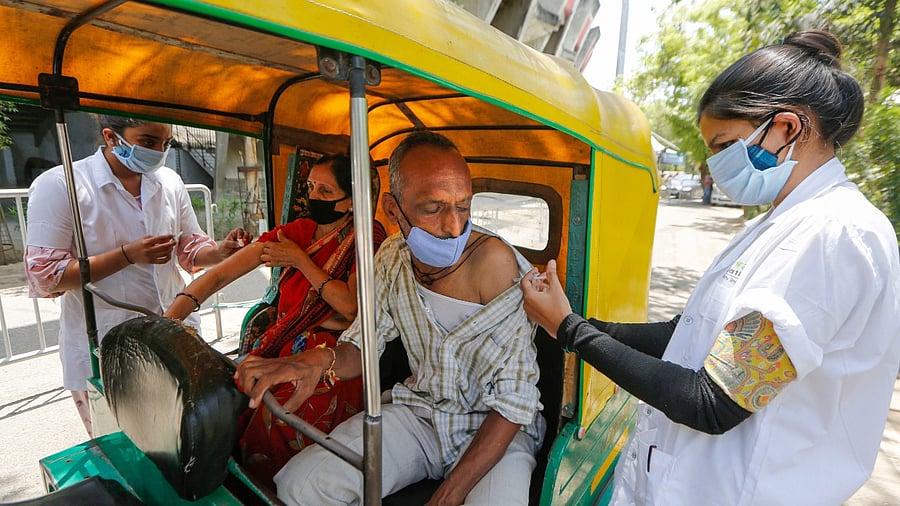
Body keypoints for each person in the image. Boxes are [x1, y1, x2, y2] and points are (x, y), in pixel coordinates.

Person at [520, 30, 900, 505]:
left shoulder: (833, 236)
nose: (713, 165)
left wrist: (572, 331)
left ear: (788, 128)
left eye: (725, 145)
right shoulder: (782, 224)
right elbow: (693, 334)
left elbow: (711, 402)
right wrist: (579, 325)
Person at [234, 130, 545, 505]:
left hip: (498, 432)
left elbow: (515, 401)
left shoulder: (495, 264)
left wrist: (450, 493)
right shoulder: (391, 258)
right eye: (433, 208)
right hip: (422, 414)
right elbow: (362, 344)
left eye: (463, 206)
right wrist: (314, 361)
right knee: (301, 486)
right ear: (393, 208)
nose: (453, 227)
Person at [165, 153, 387, 487]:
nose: (314, 197)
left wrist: (300, 261)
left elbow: (350, 306)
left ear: (351, 201)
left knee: (280, 413)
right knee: (223, 396)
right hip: (284, 342)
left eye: (326, 192)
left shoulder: (368, 238)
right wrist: (171, 318)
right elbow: (219, 277)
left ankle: (277, 489)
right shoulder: (296, 232)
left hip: (336, 357)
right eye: (311, 187)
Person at [25, 115, 251, 438]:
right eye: (147, 142)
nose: (159, 151)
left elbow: (189, 247)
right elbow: (46, 275)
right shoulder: (62, 186)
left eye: (165, 143)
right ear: (111, 136)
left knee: (183, 441)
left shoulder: (170, 183)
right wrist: (127, 255)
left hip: (175, 336)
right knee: (125, 452)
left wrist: (220, 252)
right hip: (104, 346)